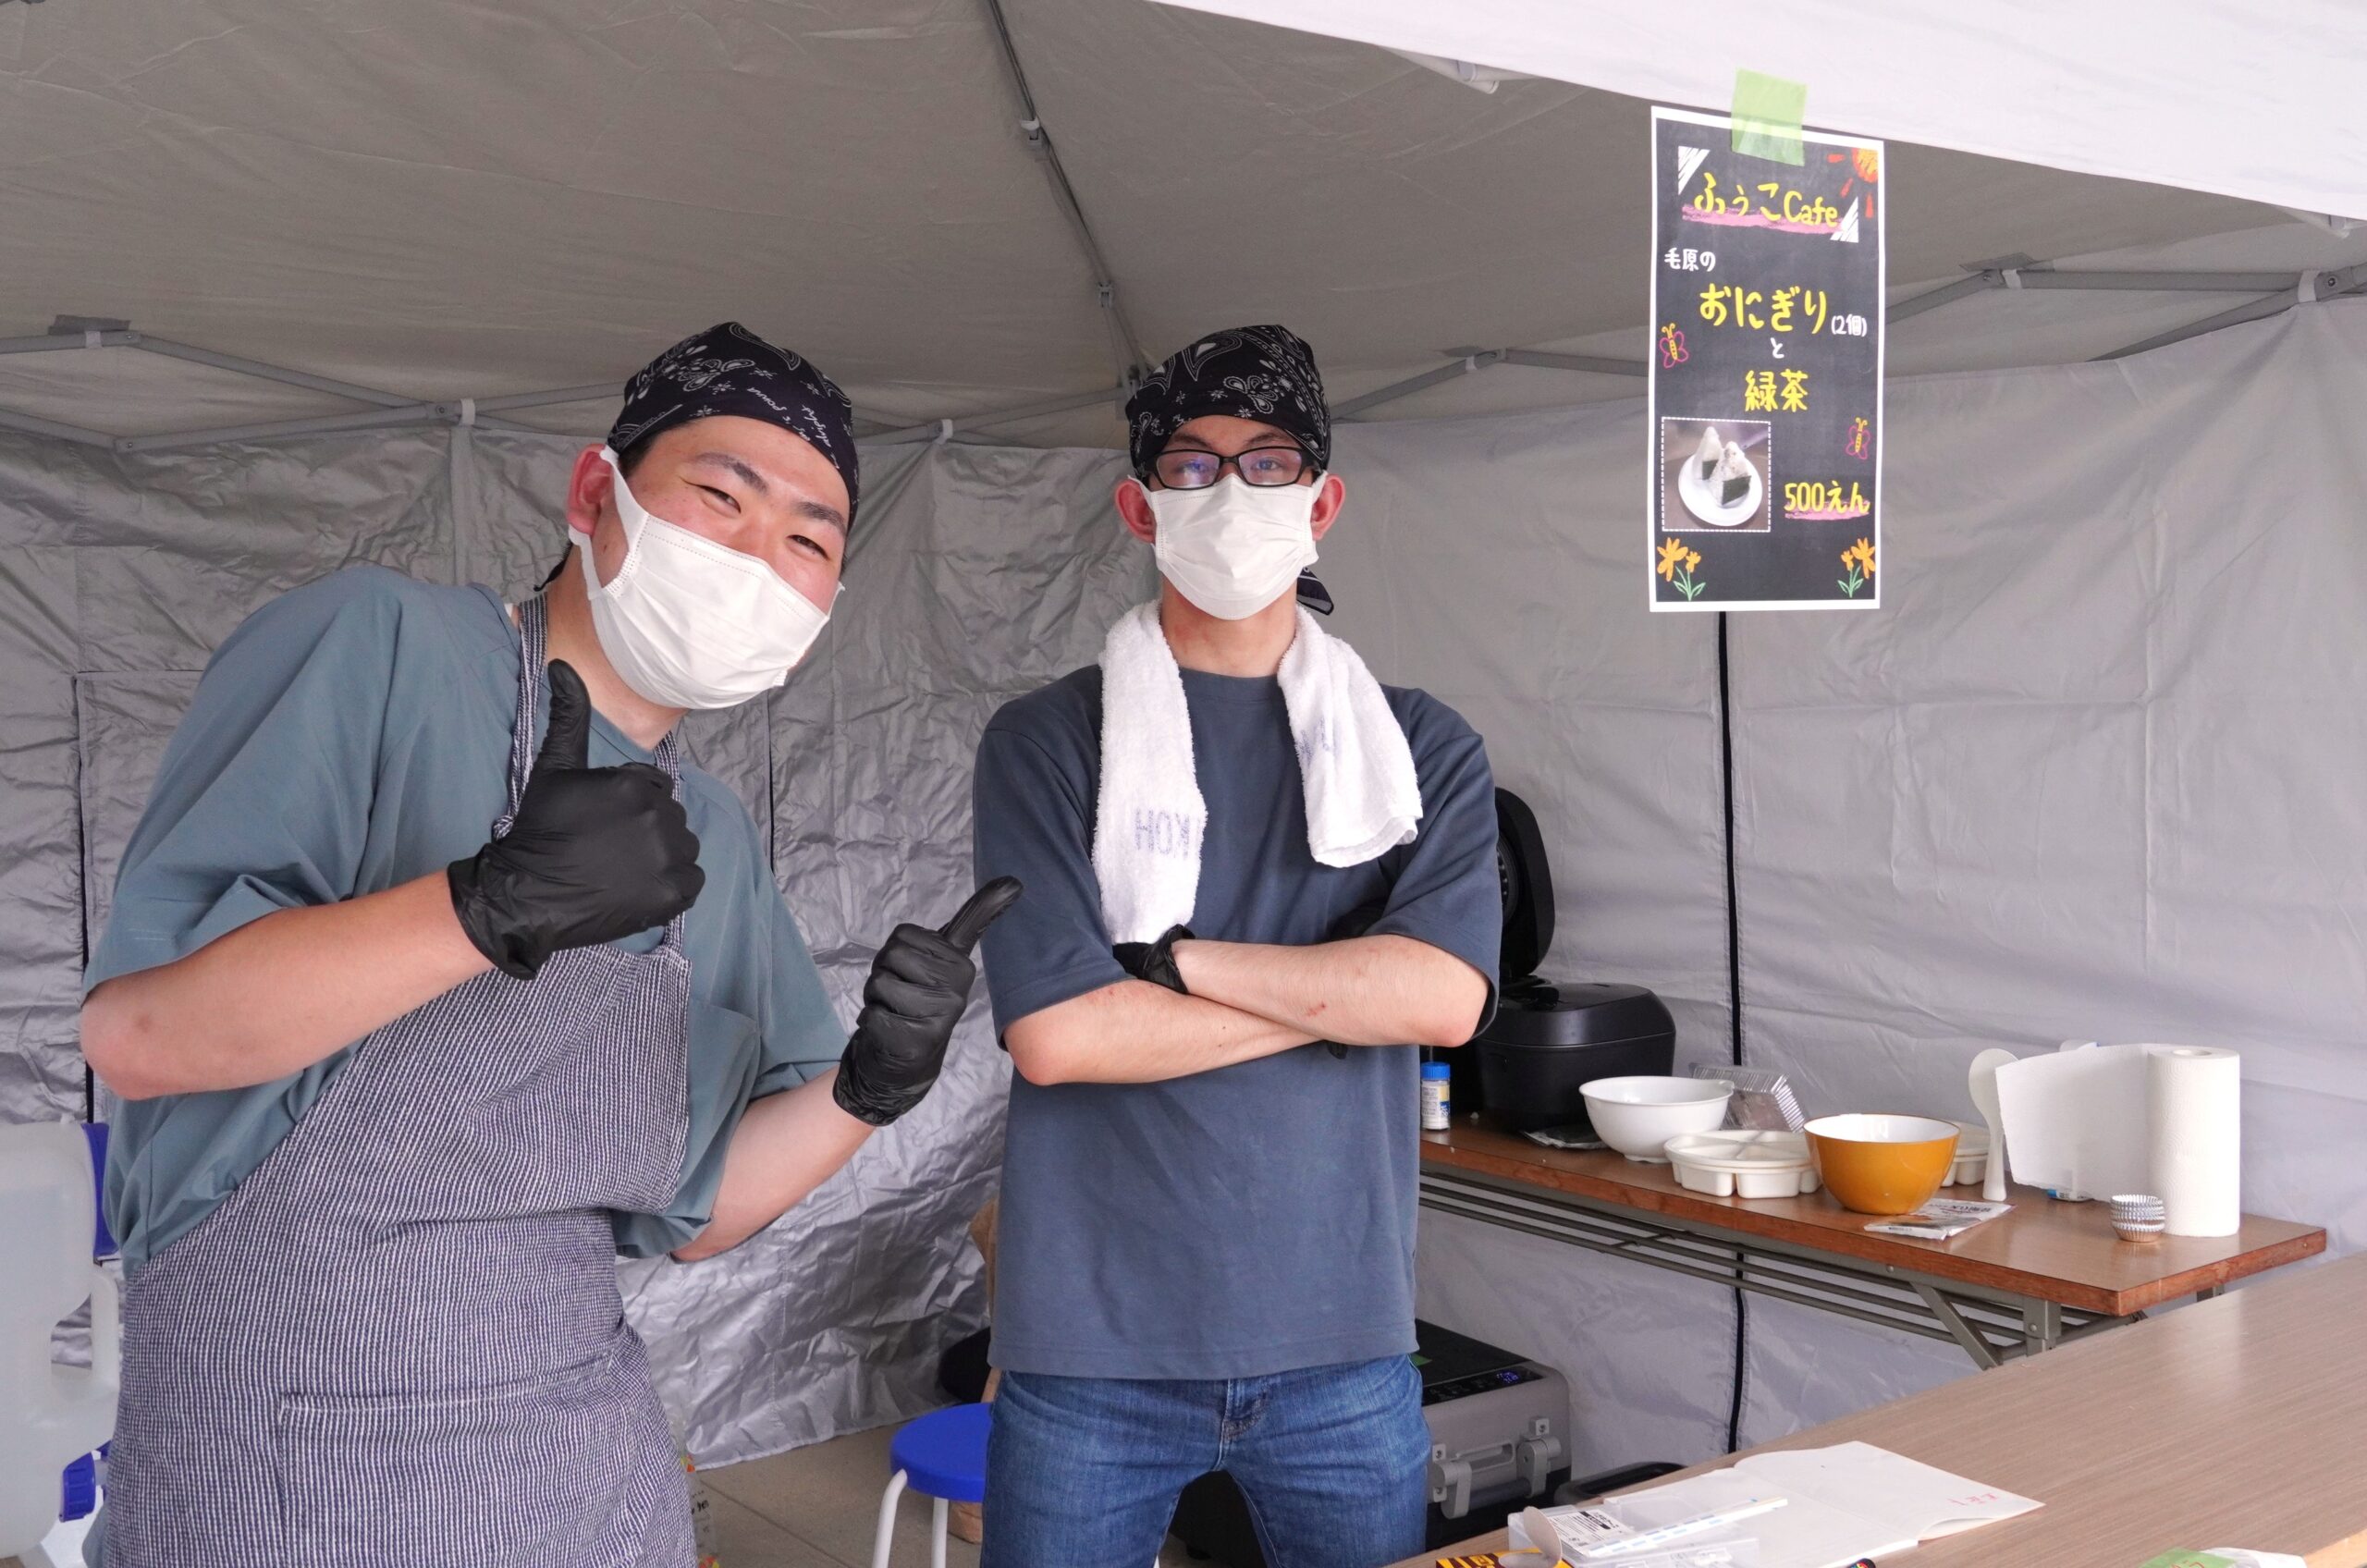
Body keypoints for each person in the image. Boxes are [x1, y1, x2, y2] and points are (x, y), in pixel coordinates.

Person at [78, 322, 1017, 1568]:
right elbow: (141, 1038)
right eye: (721, 498)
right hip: (284, 1460)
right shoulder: (382, 646)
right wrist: (480, 907)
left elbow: (696, 1213)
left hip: (578, 1468)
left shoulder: (706, 836)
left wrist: (869, 1092)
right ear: (594, 494)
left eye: (808, 540)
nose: (756, 557)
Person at [970, 325, 1502, 1568]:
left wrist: (1178, 962)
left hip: (1344, 1346)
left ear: (1321, 501)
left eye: (1267, 461)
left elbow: (1443, 1001)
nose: (1229, 490)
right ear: (1140, 507)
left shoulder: (1416, 748)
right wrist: (1340, 997)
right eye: (1192, 465)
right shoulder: (1049, 740)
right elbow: (1059, 1036)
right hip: (1089, 1354)